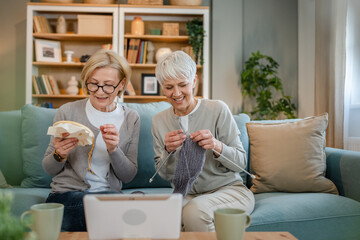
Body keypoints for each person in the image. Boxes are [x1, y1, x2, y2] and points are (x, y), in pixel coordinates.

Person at [151, 51, 255, 232]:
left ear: (194, 81)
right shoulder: (159, 121)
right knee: (160, 218)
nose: (176, 93)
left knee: (194, 212)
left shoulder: (217, 110)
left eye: (182, 85)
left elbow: (240, 163)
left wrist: (216, 145)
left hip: (229, 191)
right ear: (162, 86)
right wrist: (168, 151)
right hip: (188, 195)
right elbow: (165, 175)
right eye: (169, 87)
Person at [42, 49, 140, 231]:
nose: (100, 92)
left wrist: (114, 149)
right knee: (115, 211)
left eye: (108, 85)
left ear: (122, 84)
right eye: (93, 84)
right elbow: (49, 169)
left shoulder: (131, 118)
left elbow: (128, 175)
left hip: (108, 197)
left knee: (120, 204)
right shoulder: (67, 112)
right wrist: (59, 155)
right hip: (68, 196)